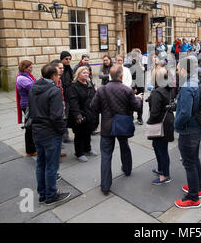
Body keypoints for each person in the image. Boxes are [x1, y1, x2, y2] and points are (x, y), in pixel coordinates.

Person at [90, 65, 143, 195]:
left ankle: (105, 186)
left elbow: (93, 107)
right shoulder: (127, 90)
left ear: (109, 76)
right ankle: (127, 169)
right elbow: (136, 107)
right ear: (121, 76)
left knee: (106, 155)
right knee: (124, 146)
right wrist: (139, 99)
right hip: (122, 124)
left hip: (107, 125)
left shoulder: (101, 90)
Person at [28, 64, 70, 205]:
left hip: (37, 132)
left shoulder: (33, 88)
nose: (59, 77)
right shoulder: (55, 91)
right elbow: (57, 116)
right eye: (58, 75)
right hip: (50, 133)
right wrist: (61, 130)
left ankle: (43, 194)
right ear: (53, 76)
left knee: (41, 164)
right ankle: (51, 195)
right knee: (51, 166)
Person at [174, 56, 201, 209]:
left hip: (188, 131)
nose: (177, 71)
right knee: (194, 159)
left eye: (178, 68)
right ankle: (197, 188)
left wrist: (175, 124)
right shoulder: (195, 80)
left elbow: (185, 113)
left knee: (189, 163)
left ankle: (193, 198)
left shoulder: (187, 86)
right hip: (197, 128)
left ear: (184, 69)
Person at [147, 67, 176, 185]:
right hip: (168, 120)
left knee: (162, 149)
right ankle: (160, 169)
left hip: (159, 122)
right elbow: (173, 105)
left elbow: (154, 113)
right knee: (157, 145)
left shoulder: (157, 92)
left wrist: (149, 123)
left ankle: (165, 175)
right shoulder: (170, 88)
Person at [68, 66, 98, 163]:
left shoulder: (90, 84)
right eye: (83, 73)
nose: (86, 74)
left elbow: (94, 97)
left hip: (90, 113)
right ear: (78, 74)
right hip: (80, 114)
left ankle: (87, 149)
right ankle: (79, 153)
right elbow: (73, 102)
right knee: (79, 134)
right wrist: (78, 115)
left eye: (87, 72)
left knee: (88, 132)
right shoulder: (74, 86)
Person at [16, 60, 37, 156]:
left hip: (30, 103)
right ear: (24, 68)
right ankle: (30, 150)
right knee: (29, 127)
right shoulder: (21, 78)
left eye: (31, 67)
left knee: (32, 126)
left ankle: (33, 147)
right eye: (29, 67)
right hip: (27, 105)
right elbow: (34, 87)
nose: (31, 68)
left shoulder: (26, 76)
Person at [50, 59, 68, 160]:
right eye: (60, 68)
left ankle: (58, 151)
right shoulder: (51, 81)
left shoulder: (59, 79)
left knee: (59, 131)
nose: (62, 70)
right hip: (55, 110)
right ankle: (54, 155)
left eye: (62, 68)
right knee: (55, 132)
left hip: (61, 106)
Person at [127, 49, 145, 125]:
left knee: (140, 101)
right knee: (132, 100)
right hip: (134, 85)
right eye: (139, 54)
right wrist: (134, 87)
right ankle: (130, 116)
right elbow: (131, 76)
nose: (141, 55)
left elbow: (144, 69)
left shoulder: (140, 62)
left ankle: (139, 117)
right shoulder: (131, 63)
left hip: (141, 84)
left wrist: (143, 68)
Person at [60, 51, 74, 144]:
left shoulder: (69, 69)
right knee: (63, 117)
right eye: (66, 59)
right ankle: (64, 136)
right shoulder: (61, 69)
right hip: (62, 96)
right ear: (62, 59)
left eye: (69, 59)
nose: (68, 61)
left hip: (69, 95)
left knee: (67, 116)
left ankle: (65, 135)